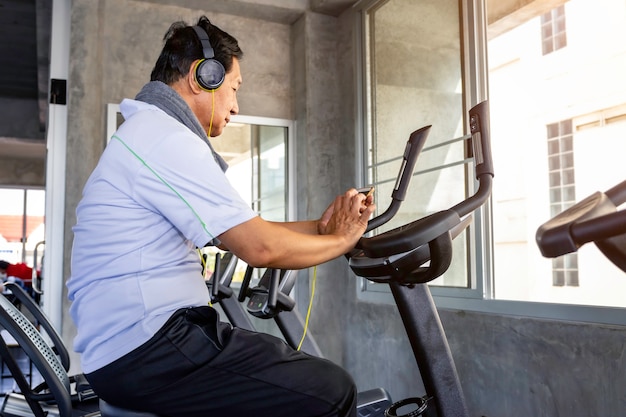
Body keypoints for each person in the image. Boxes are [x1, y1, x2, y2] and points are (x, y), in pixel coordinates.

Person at [67, 16, 375, 417]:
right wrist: (342, 241)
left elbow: (239, 230)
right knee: (332, 389)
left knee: (284, 370)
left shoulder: (149, 134)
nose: (235, 105)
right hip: (151, 347)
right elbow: (258, 247)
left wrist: (321, 228)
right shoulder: (165, 140)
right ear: (203, 77)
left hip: (137, 347)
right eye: (233, 88)